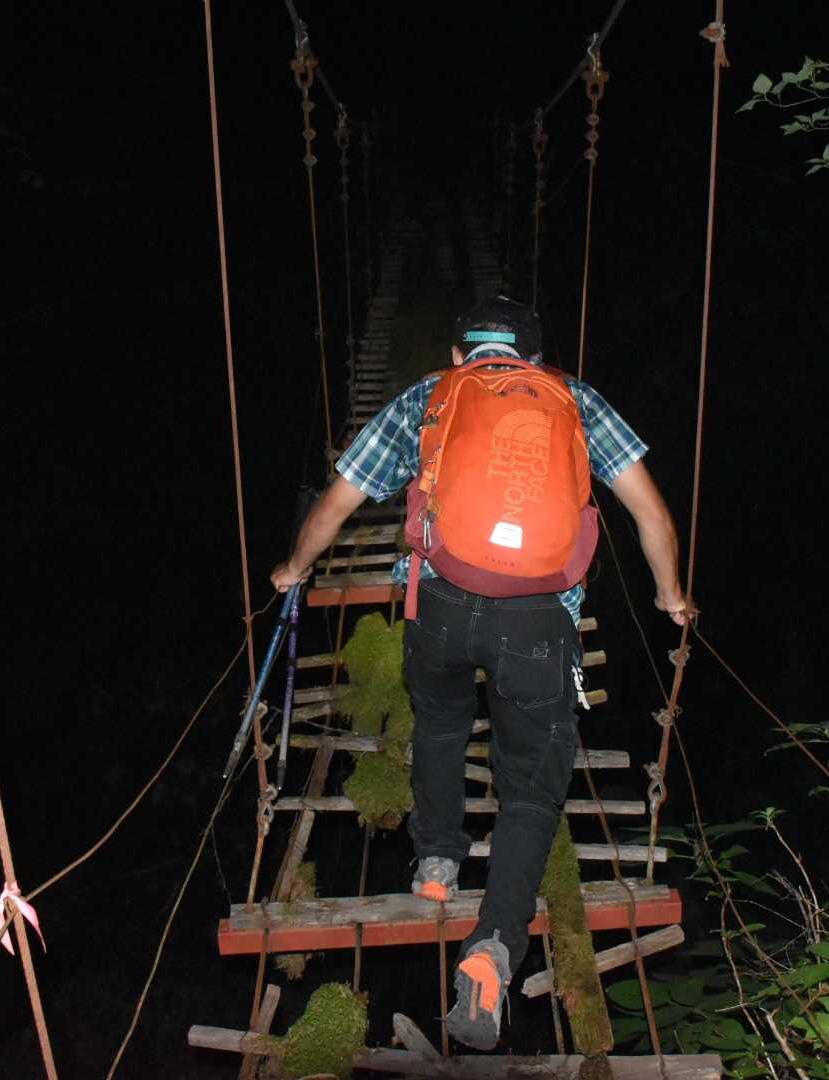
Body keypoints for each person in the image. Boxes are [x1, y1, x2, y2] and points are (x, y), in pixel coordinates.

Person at [271, 297, 692, 1050]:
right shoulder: (575, 399)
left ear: (460, 355)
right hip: (537, 621)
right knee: (530, 786)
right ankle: (493, 946)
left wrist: (294, 567)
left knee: (438, 722)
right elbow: (651, 515)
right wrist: (671, 595)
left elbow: (338, 500)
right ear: (534, 359)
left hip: (438, 605)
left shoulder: (429, 396)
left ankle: (436, 862)